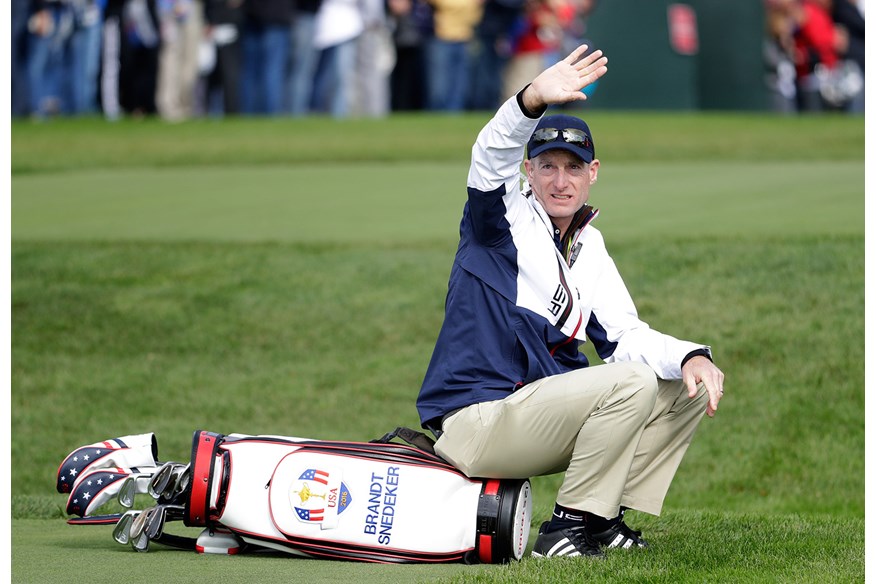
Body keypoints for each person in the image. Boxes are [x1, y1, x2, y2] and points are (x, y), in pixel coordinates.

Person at [416, 45, 725, 558]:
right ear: (529, 172)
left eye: (573, 168)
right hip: (478, 421)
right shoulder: (498, 221)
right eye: (548, 166)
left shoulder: (589, 245)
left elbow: (625, 338)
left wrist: (693, 354)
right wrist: (531, 98)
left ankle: (601, 522)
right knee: (632, 382)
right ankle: (565, 528)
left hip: (536, 417)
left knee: (681, 383)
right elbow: (489, 153)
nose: (561, 181)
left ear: (593, 172)